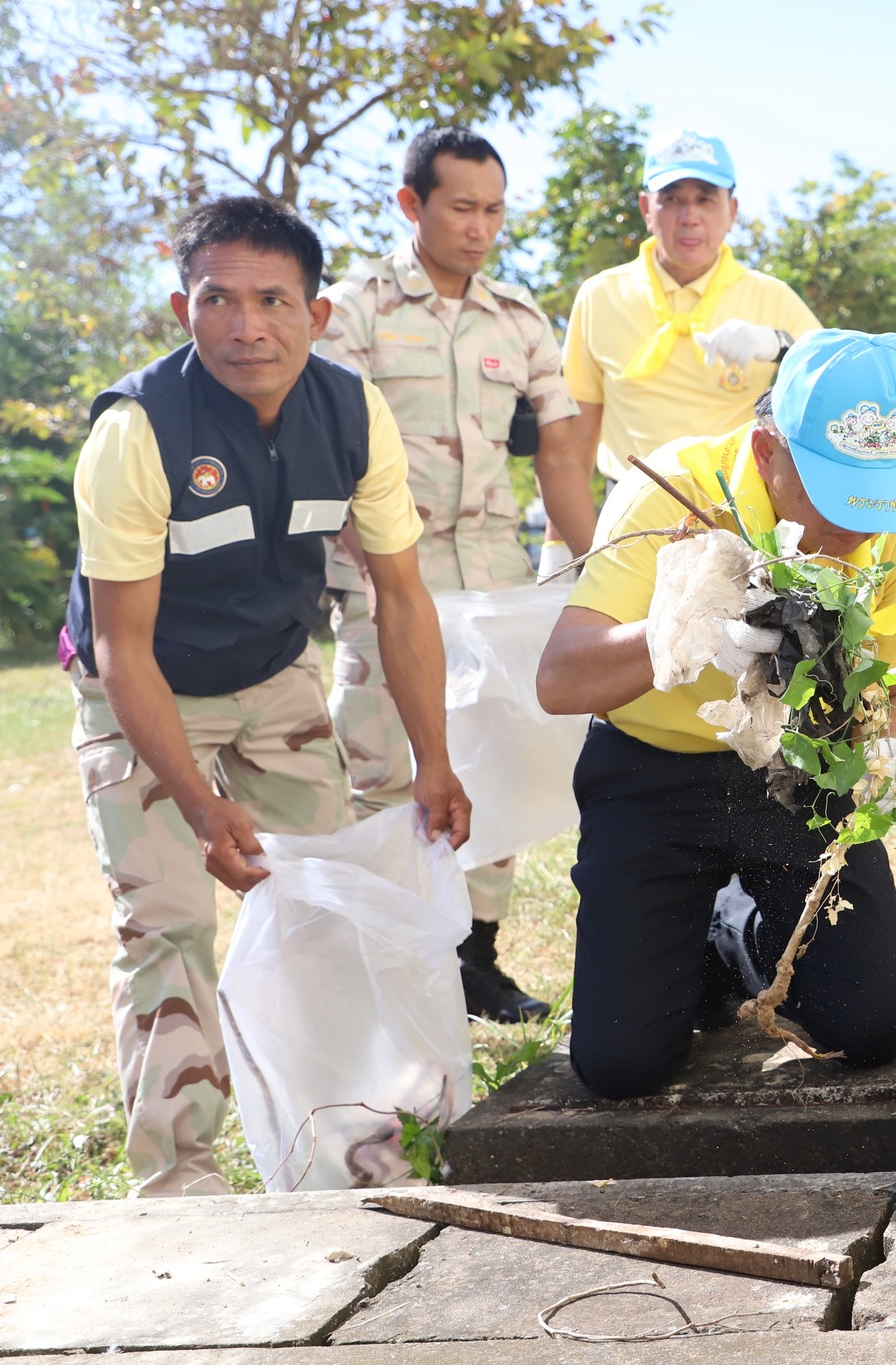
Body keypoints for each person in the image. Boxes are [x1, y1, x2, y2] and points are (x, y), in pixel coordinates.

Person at [66, 196, 470, 1196]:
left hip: (273, 673)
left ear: (317, 314)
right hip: (142, 685)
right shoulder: (136, 431)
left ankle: (350, 1140)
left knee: (324, 901)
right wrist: (201, 807)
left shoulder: (351, 412)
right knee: (166, 928)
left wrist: (434, 761)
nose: (247, 326)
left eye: (273, 301)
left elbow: (401, 598)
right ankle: (180, 1184)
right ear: (182, 307)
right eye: (219, 300)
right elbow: (121, 648)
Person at [536, 330, 896, 1099]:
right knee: (622, 1068)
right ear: (765, 451)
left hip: (798, 768)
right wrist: (684, 628)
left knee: (872, 1028)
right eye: (833, 490)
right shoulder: (673, 488)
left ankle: (741, 933)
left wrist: (895, 760)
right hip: (653, 774)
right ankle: (701, 924)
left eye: (877, 491)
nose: (857, 524)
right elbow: (560, 680)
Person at [317, 127, 596, 1023]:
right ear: (413, 205)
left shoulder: (519, 318)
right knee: (385, 766)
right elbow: (337, 448)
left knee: (495, 763)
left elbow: (559, 456)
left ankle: (478, 957)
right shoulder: (354, 309)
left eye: (495, 210)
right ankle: (399, 959)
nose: (481, 228)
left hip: (495, 579)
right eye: (462, 208)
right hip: (385, 577)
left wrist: (593, 571)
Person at [561, 129, 821, 483]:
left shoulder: (771, 297)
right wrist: (558, 539)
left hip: (735, 508)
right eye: (671, 199)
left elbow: (835, 381)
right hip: (626, 505)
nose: (689, 216)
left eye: (705, 199)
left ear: (731, 211)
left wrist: (778, 345)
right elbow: (576, 437)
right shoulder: (600, 295)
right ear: (646, 209)